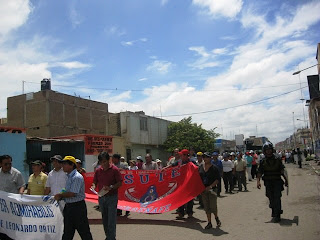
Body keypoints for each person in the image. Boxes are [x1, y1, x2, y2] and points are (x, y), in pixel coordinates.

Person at [54, 156, 93, 240]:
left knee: (84, 232)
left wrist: (60, 195)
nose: (63, 166)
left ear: (71, 165)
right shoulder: (69, 176)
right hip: (69, 206)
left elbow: (72, 193)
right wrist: (62, 195)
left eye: (65, 164)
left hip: (77, 207)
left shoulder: (76, 177)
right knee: (68, 232)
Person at [92, 152, 122, 240]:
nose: (103, 164)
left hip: (112, 197)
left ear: (108, 160)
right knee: (105, 219)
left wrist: (111, 187)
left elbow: (120, 182)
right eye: (101, 162)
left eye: (104, 161)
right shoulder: (98, 170)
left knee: (111, 220)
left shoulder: (115, 170)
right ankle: (108, 236)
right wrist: (93, 186)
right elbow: (95, 181)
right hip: (101, 197)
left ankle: (111, 237)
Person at [257, 142, 288, 223]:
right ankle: (274, 210)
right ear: (264, 151)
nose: (268, 151)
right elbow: (260, 172)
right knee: (270, 197)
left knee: (277, 197)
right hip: (268, 182)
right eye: (267, 150)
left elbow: (282, 171)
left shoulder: (277, 159)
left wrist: (286, 180)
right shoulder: (263, 160)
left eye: (269, 150)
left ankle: (277, 215)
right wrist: (258, 182)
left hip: (277, 181)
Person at [0, 155, 26, 240]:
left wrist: (20, 193)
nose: (8, 166)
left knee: (12, 227)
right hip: (1, 207)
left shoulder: (16, 173)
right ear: (1, 164)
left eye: (10, 164)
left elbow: (22, 185)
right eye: (6, 164)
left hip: (12, 206)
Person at [199, 152, 222, 229]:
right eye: (204, 157)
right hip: (203, 190)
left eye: (207, 157)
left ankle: (216, 218)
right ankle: (209, 222)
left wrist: (210, 186)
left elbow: (217, 179)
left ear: (210, 158)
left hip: (212, 190)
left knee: (213, 206)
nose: (205, 159)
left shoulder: (214, 168)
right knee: (206, 207)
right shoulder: (201, 167)